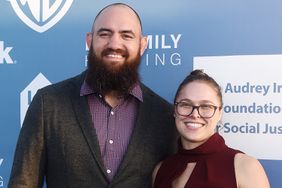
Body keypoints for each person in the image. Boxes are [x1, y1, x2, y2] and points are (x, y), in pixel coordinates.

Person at [8, 3, 177, 188]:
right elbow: (23, 183)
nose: (114, 44)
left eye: (126, 35)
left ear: (142, 45)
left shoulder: (164, 116)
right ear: (89, 40)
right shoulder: (47, 104)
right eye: (104, 34)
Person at [152, 69, 270, 188]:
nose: (195, 114)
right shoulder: (161, 170)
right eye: (186, 105)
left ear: (219, 113)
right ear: (175, 110)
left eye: (206, 106)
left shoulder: (245, 167)